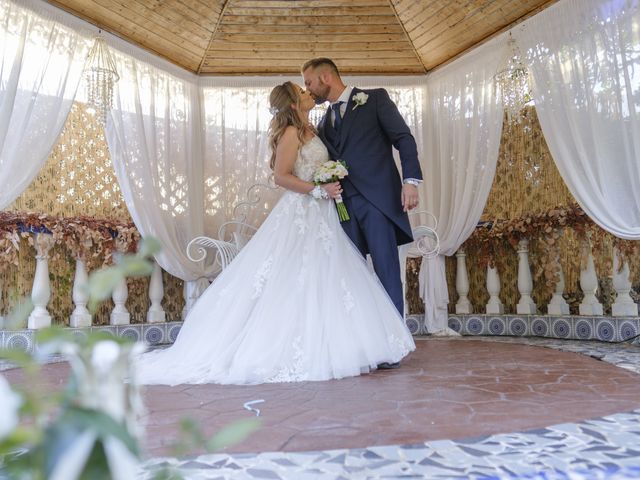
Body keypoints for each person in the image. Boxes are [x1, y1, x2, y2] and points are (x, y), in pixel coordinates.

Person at [136, 82, 415, 386]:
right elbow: (281, 176)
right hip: (305, 210)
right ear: (294, 103)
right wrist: (318, 189)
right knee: (297, 277)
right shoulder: (291, 133)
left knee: (328, 278)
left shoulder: (314, 127)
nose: (310, 93)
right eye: (303, 91)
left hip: (326, 214)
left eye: (308, 86)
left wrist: (330, 181)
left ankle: (338, 341)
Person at [302, 58, 423, 322]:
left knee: (386, 271)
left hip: (378, 203)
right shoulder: (322, 124)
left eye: (309, 82)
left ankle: (394, 342)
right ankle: (363, 343)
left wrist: (410, 181)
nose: (308, 89)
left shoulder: (375, 99)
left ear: (325, 78)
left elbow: (403, 138)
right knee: (350, 275)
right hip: (342, 208)